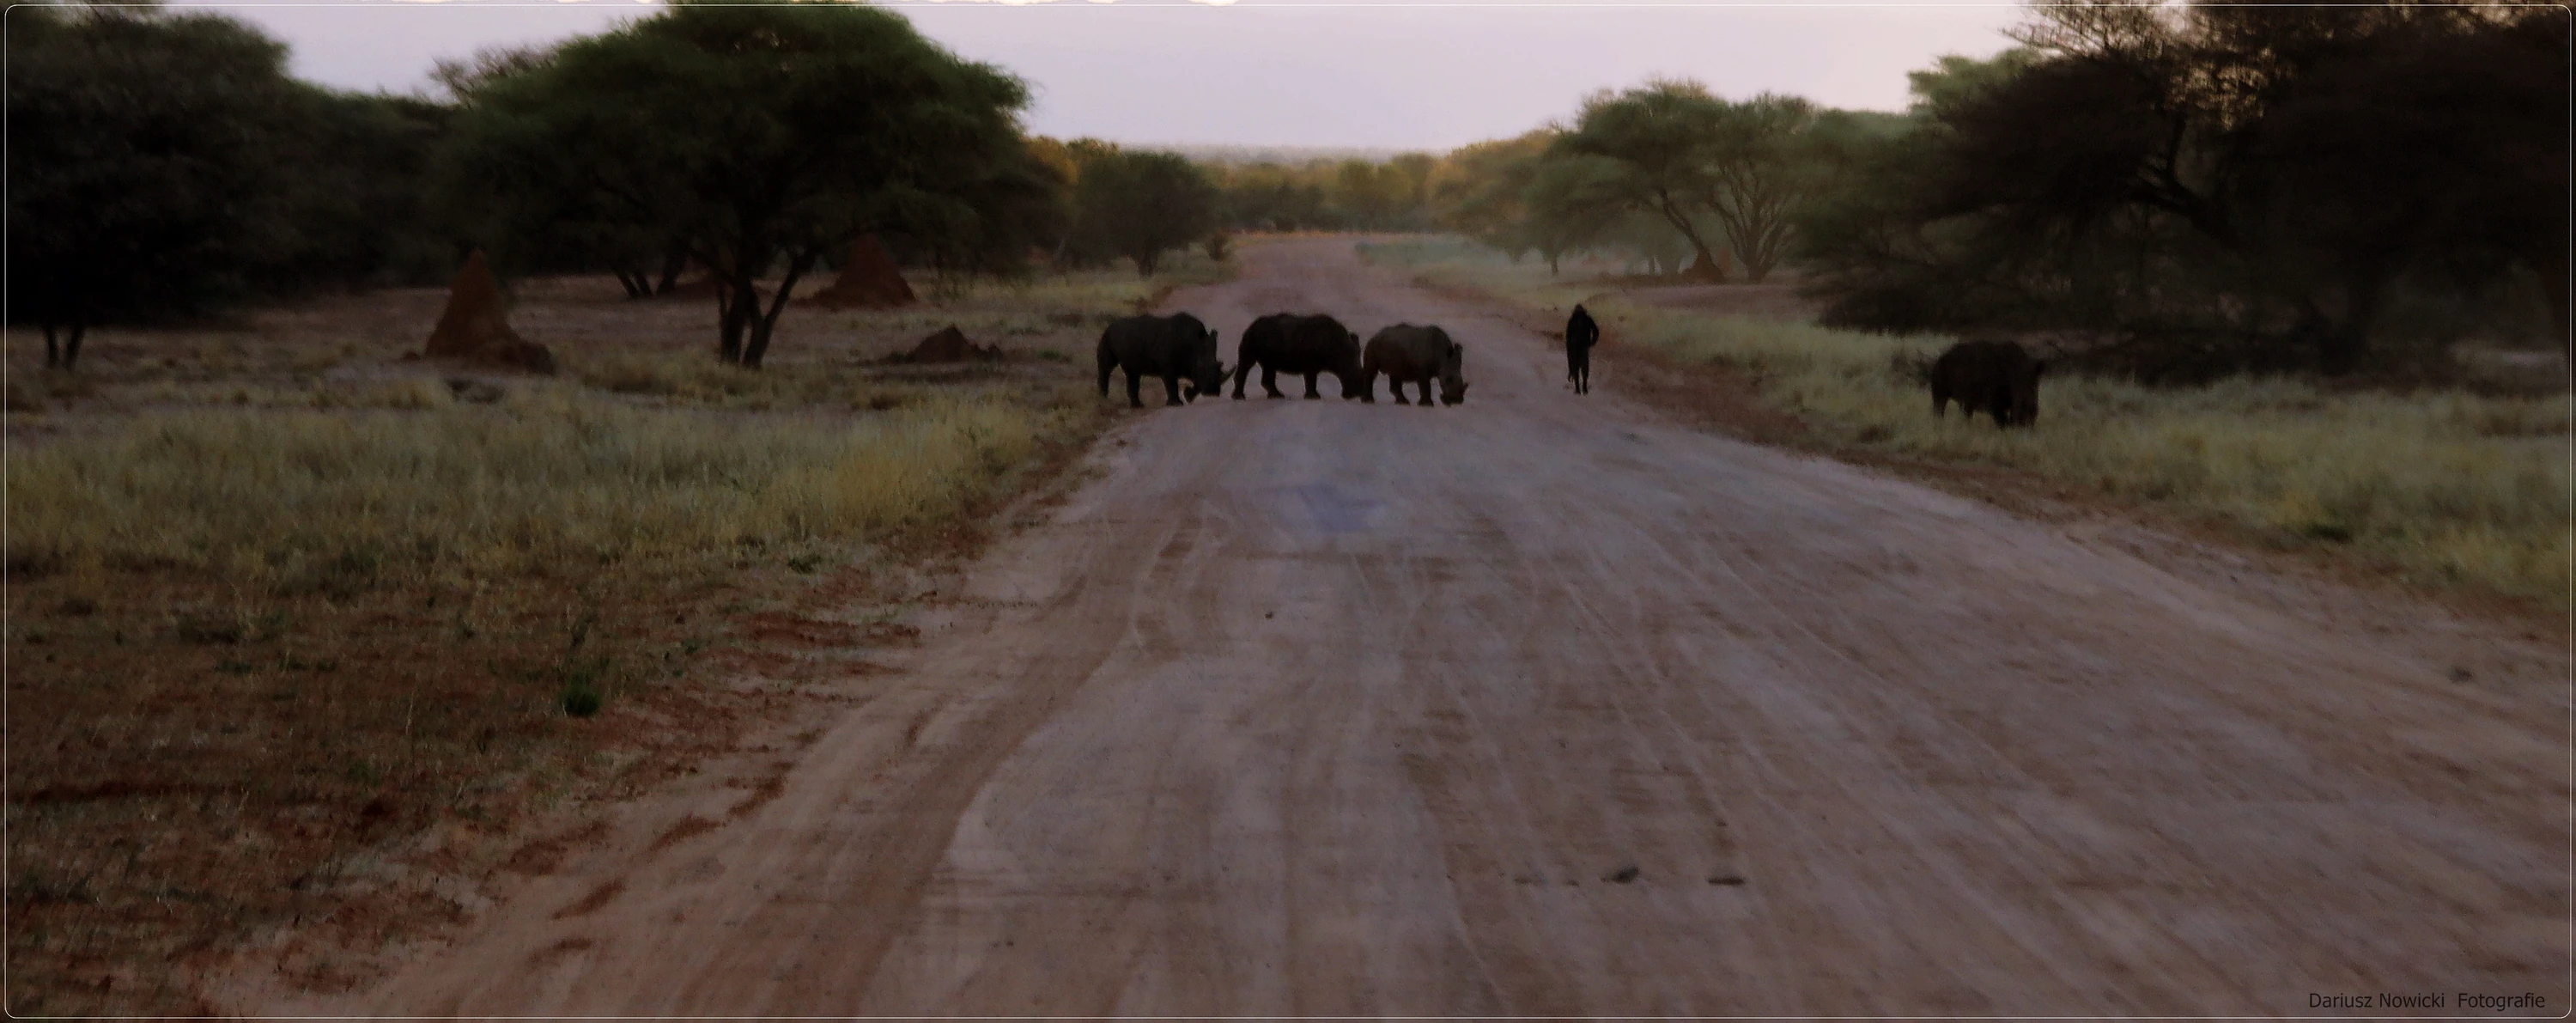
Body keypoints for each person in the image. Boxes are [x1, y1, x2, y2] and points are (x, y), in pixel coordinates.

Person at [1565, 304, 1600, 394]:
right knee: (1584, 366)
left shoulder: (1573, 320)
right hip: (1584, 345)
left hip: (1575, 347)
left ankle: (1578, 388)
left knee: (1575, 366)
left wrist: (1568, 347)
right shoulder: (1587, 319)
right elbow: (1596, 331)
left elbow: (1568, 336)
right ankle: (1584, 387)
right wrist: (1592, 342)